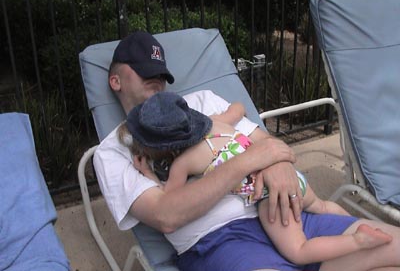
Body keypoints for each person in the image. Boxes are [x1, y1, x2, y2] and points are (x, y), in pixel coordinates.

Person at [94, 30, 400, 271]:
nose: (157, 80)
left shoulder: (201, 104)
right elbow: (166, 216)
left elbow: (270, 144)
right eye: (145, 72)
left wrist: (277, 164)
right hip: (222, 242)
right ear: (116, 80)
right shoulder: (113, 150)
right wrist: (252, 160)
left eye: (160, 73)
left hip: (285, 210)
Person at [118, 91, 392, 266]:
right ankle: (350, 223)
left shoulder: (182, 163)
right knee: (321, 206)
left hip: (267, 194)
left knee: (298, 250)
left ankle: (357, 242)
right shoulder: (218, 123)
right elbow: (238, 108)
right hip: (294, 182)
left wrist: (150, 175)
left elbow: (170, 200)